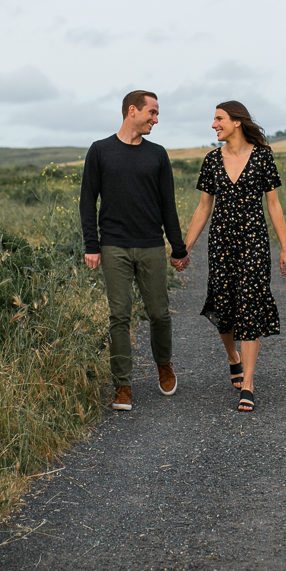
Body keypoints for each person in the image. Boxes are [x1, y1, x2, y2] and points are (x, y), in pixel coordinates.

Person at [180, 101, 286, 412]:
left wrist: (285, 247)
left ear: (237, 122)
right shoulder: (212, 160)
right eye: (214, 120)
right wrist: (186, 246)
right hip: (221, 243)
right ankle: (234, 358)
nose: (214, 125)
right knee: (224, 304)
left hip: (254, 241)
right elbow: (204, 207)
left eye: (219, 119)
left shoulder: (262, 157)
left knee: (250, 305)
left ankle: (249, 384)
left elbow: (274, 205)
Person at [80, 90, 190, 412]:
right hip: (113, 246)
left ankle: (164, 365)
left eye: (156, 114)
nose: (156, 119)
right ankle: (123, 385)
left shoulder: (157, 155)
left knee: (158, 313)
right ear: (132, 111)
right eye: (152, 113)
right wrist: (91, 245)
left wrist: (178, 248)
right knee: (119, 316)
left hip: (151, 246)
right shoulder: (100, 151)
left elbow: (167, 205)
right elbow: (88, 201)